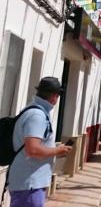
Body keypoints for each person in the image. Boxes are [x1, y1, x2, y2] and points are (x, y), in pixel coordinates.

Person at [7, 77, 72, 207]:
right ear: (54, 96)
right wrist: (57, 150)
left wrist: (54, 148)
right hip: (29, 184)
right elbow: (33, 150)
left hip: (28, 183)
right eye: (58, 95)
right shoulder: (37, 115)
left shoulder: (33, 111)